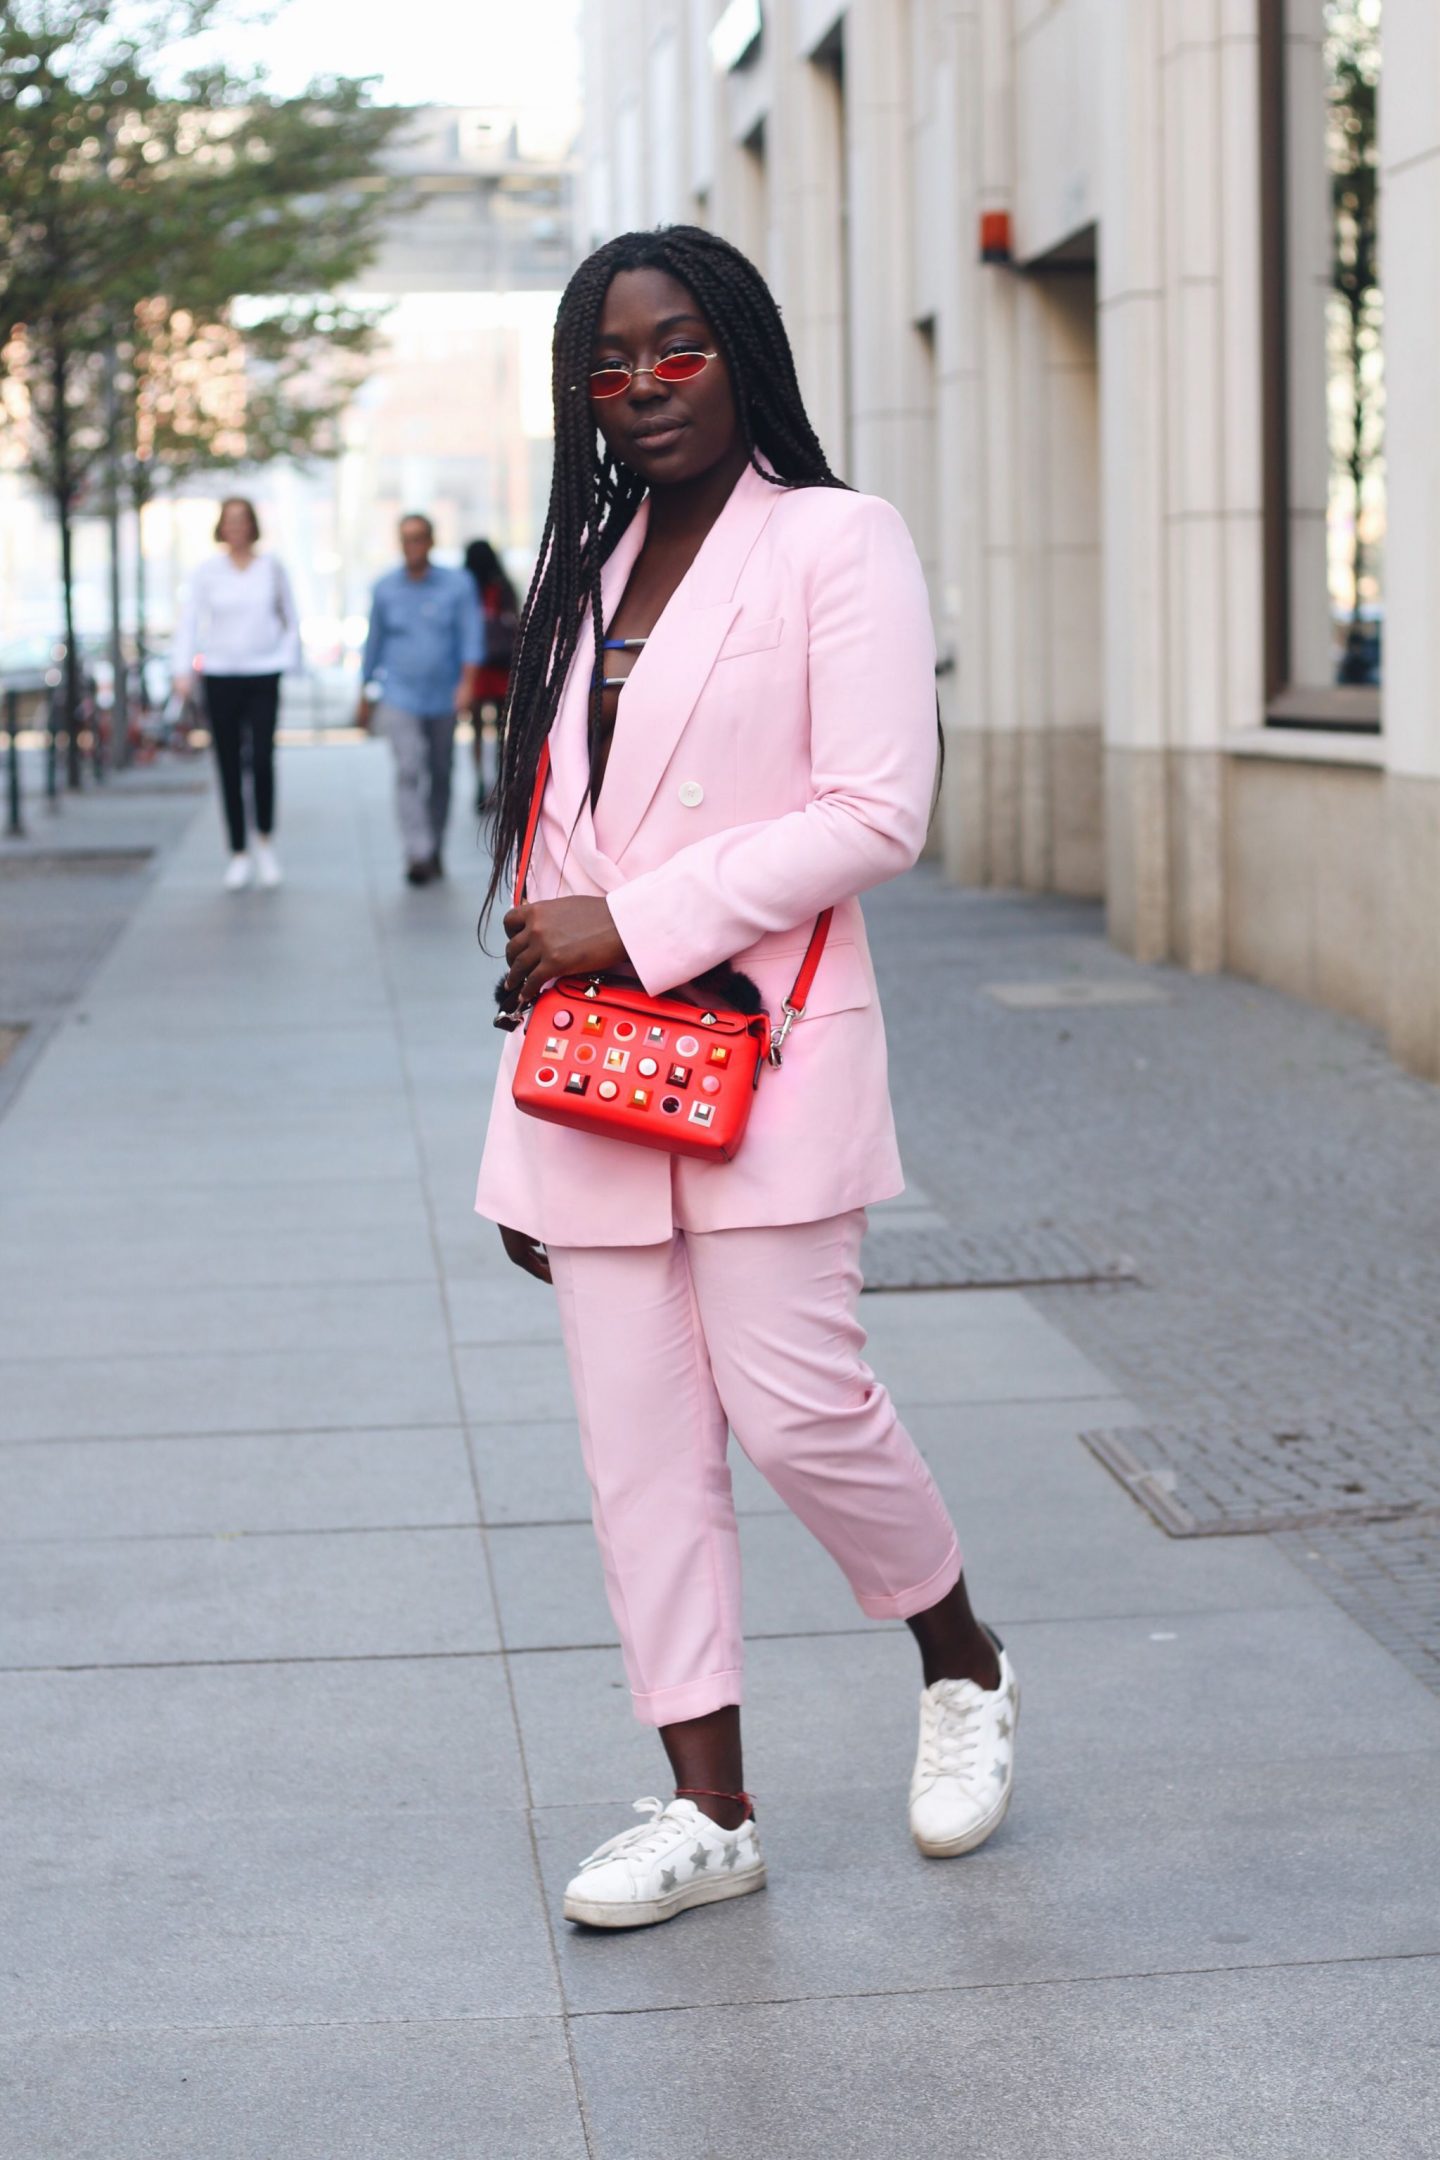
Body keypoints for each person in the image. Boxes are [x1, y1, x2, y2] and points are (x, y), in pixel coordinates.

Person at [475, 225, 1017, 1933]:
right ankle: (711, 1804)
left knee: (797, 1408)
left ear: (745, 351)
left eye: (677, 350)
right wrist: (525, 1119)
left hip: (763, 1053)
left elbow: (877, 812)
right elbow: (553, 846)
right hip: (602, 1080)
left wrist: (620, 926)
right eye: (609, 367)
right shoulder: (591, 565)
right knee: (638, 1453)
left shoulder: (837, 544)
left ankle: (961, 1656)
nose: (642, 391)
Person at [172, 496, 300, 890]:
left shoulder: (271, 568)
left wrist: (286, 658)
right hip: (221, 674)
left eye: (243, 520)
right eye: (230, 521)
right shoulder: (207, 571)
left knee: (262, 758)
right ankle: (238, 852)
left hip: (263, 674)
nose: (236, 527)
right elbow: (190, 621)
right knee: (227, 762)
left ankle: (264, 840)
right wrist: (182, 670)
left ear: (252, 525)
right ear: (221, 527)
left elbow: (290, 617)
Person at [357, 515, 484, 886]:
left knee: (440, 772)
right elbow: (374, 643)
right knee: (409, 769)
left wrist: (467, 684)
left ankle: (435, 847)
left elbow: (471, 637)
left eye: (418, 538)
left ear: (430, 541)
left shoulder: (458, 585)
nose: (411, 545)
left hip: (443, 695)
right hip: (400, 694)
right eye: (405, 539)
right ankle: (417, 851)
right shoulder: (384, 589)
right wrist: (364, 692)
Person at [462, 538, 519, 814]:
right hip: (500, 667)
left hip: (476, 667)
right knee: (500, 728)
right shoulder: (503, 587)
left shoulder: (466, 588)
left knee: (474, 728)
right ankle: (499, 782)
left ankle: (480, 782)